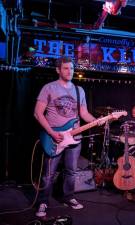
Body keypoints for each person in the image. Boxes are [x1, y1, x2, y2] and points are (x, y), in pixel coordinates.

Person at [34, 56, 101, 217]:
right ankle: (43, 201)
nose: (70, 71)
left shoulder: (79, 90)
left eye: (71, 68)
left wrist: (96, 121)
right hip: (54, 137)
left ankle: (69, 197)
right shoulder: (49, 88)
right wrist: (52, 133)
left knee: (71, 171)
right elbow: (37, 113)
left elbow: (83, 113)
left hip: (74, 138)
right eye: (66, 68)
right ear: (58, 70)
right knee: (48, 174)